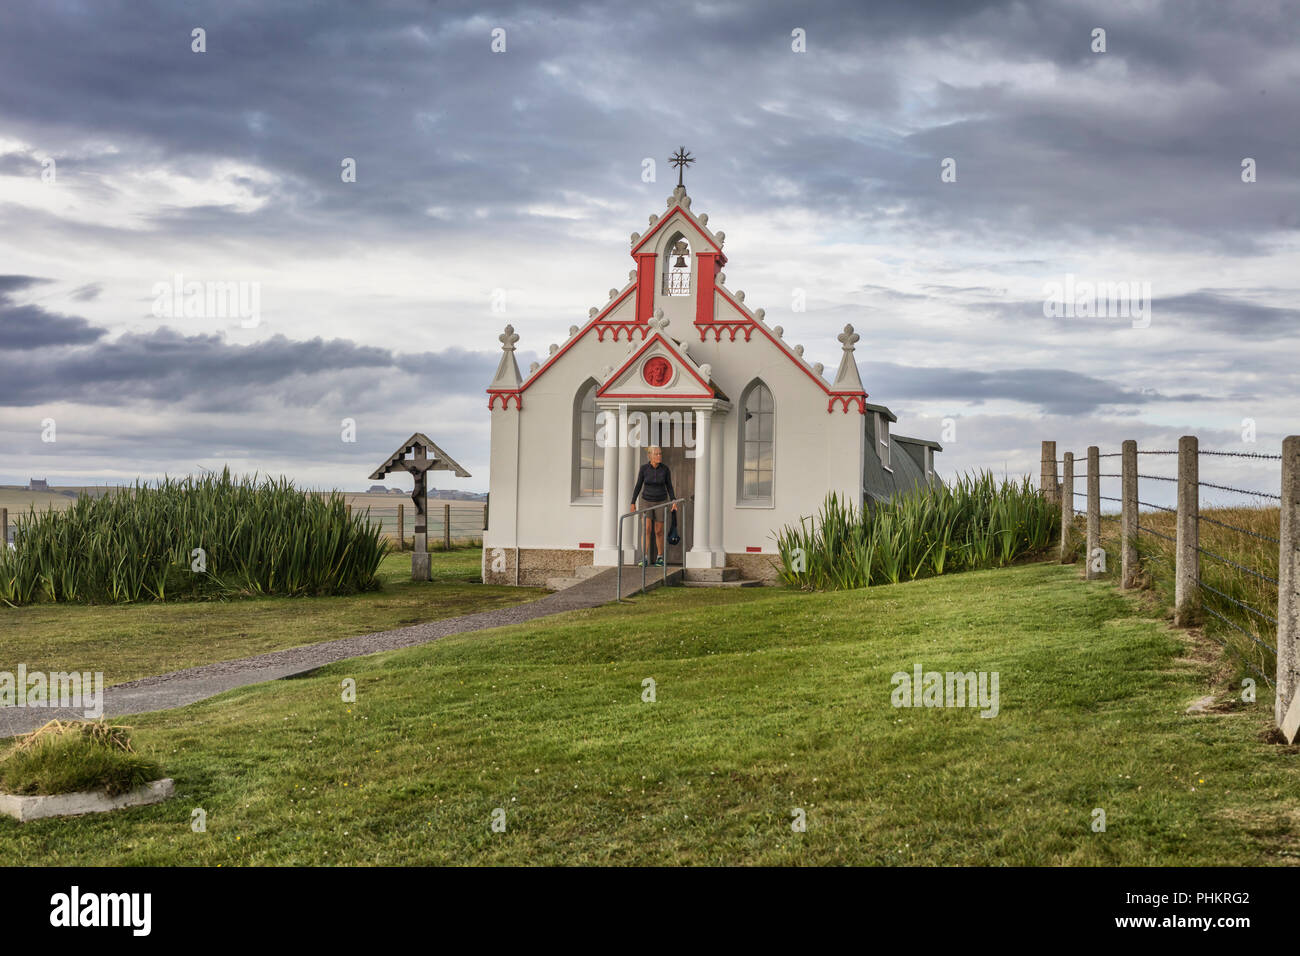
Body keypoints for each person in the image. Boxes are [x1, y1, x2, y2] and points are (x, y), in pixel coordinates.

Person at [631, 445, 676, 566]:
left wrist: (673, 500)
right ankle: (644, 557)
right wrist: (632, 502)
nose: (659, 456)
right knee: (646, 529)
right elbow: (638, 486)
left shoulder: (665, 469)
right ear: (650, 455)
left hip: (661, 501)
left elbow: (669, 486)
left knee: (659, 530)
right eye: (656, 454)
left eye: (660, 454)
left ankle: (660, 557)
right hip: (646, 501)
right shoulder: (644, 469)